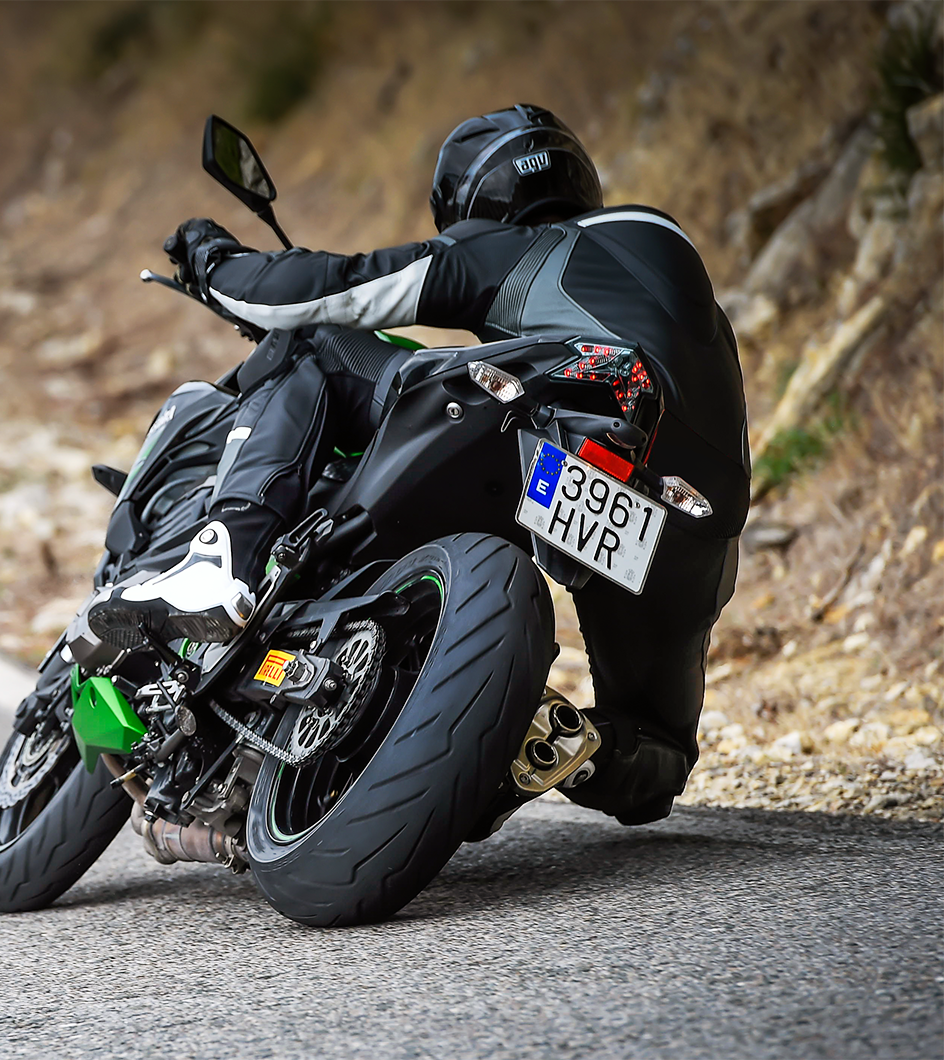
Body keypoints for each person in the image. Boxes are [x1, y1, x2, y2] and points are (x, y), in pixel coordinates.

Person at [89, 104, 750, 826]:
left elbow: (335, 288)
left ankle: (223, 561)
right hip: (693, 520)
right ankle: (556, 740)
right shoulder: (678, 280)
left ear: (471, 198)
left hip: (550, 417)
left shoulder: (523, 246)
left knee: (314, 342)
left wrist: (214, 258)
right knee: (658, 754)